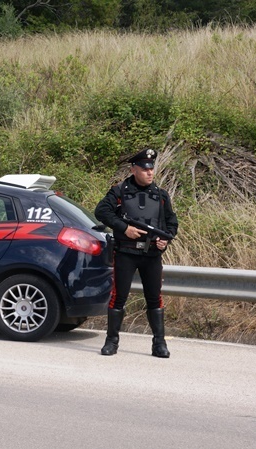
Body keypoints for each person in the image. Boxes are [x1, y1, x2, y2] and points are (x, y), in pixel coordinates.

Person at [94, 148, 178, 358]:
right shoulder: (120, 191)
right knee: (118, 298)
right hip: (126, 253)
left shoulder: (161, 194)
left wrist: (164, 240)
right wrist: (124, 228)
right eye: (145, 169)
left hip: (151, 255)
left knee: (154, 298)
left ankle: (159, 344)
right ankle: (111, 342)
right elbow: (101, 211)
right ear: (134, 169)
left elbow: (171, 223)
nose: (150, 172)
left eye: (151, 168)